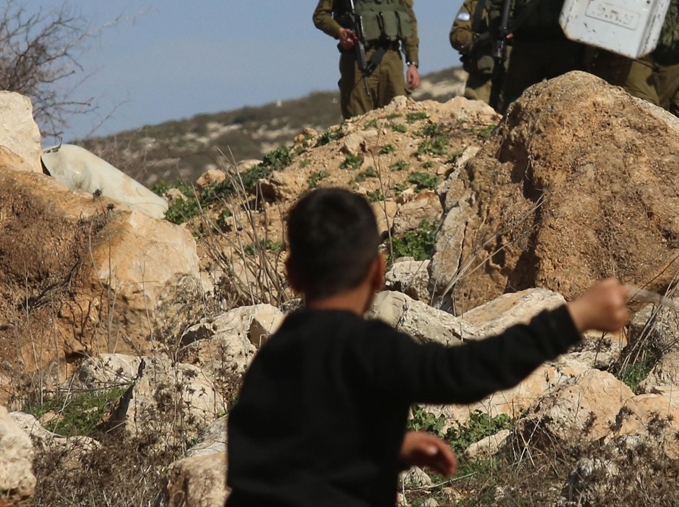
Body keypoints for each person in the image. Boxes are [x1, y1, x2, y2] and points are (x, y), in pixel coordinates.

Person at [224, 188, 631, 507]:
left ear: (292, 276)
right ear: (378, 272)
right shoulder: (367, 346)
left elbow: (298, 450)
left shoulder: (276, 354)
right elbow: (463, 373)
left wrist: (391, 448)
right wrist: (573, 318)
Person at [449, 0, 514, 108]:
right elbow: (457, 36)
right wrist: (485, 37)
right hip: (481, 81)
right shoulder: (475, 4)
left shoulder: (523, 4)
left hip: (514, 79)